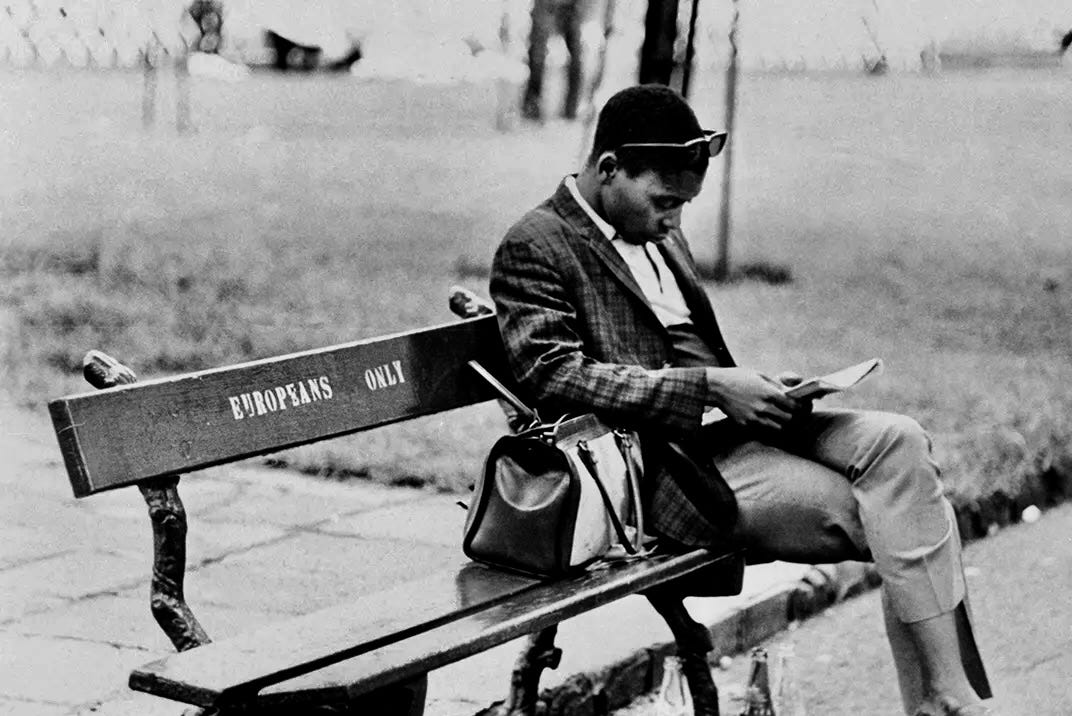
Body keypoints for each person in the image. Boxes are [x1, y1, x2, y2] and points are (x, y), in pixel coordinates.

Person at [489, 84, 994, 716]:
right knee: (907, 515)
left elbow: (690, 350)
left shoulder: (656, 231)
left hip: (730, 422)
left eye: (683, 206)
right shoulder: (536, 243)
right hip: (667, 463)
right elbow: (553, 376)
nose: (675, 221)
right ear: (609, 168)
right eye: (665, 201)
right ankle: (947, 701)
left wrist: (758, 384)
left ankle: (945, 697)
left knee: (902, 443)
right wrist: (709, 388)